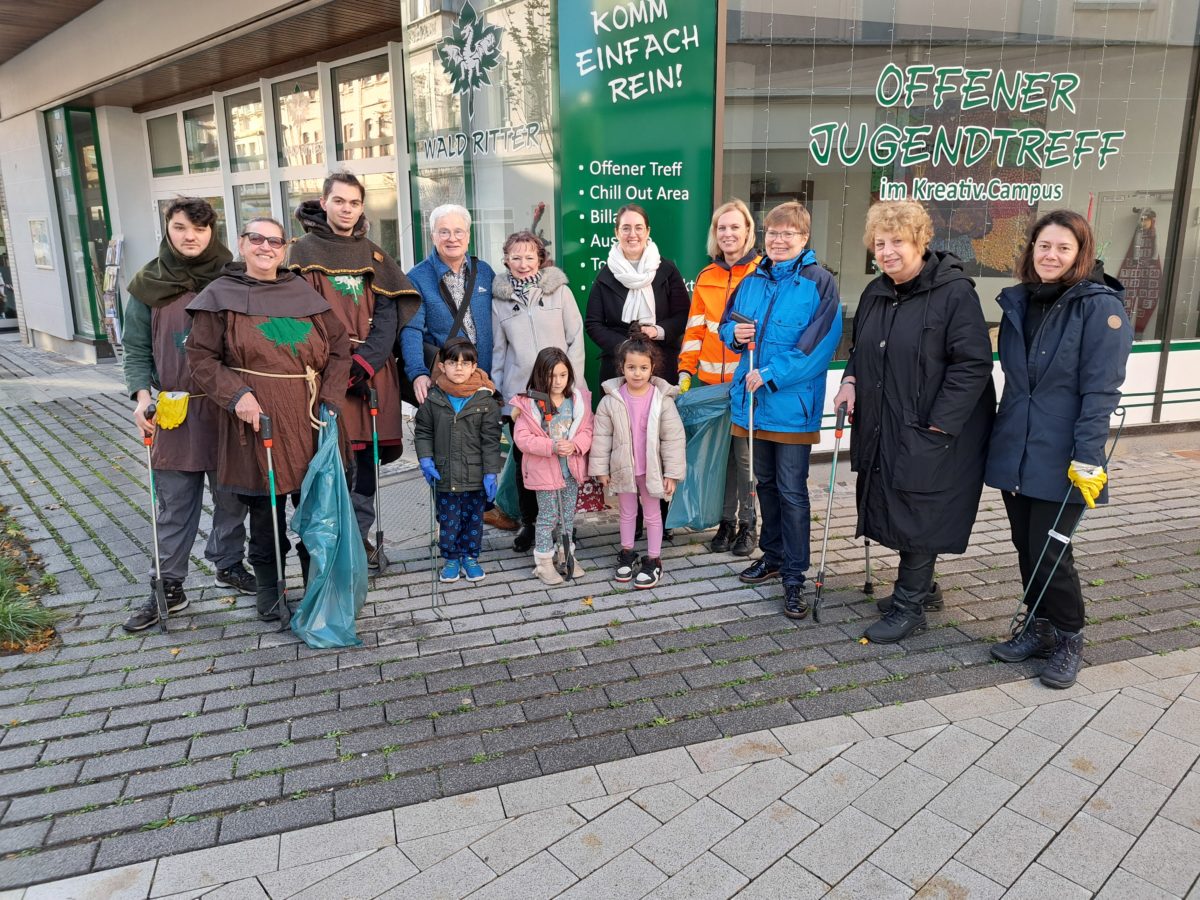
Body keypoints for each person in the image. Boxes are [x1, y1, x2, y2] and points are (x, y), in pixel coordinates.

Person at [831, 200, 995, 643]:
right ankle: (923, 589)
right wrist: (849, 381)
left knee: (922, 508)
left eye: (897, 241)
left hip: (934, 428)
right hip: (888, 420)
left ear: (921, 240)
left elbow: (974, 364)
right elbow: (861, 352)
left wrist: (940, 424)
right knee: (902, 500)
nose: (887, 252)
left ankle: (910, 606)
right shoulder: (875, 292)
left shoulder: (954, 293)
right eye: (879, 243)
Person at [985, 209, 1132, 689]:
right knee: (1025, 546)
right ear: (1031, 250)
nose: (1050, 255)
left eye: (1062, 248)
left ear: (1080, 253)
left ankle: (1070, 637)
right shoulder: (1019, 302)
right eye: (1043, 246)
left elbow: (1101, 391)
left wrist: (1088, 456)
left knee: (1052, 551)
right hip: (1017, 446)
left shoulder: (1099, 307)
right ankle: (1040, 626)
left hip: (1066, 452)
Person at [187, 217, 351, 620]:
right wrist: (236, 395)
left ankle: (318, 587)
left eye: (274, 241)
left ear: (285, 247)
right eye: (256, 239)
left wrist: (329, 398)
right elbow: (201, 359)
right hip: (255, 417)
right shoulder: (220, 294)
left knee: (317, 506)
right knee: (266, 511)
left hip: (310, 416)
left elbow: (340, 349)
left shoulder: (302, 290)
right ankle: (270, 591)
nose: (266, 247)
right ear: (242, 245)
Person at [120, 198, 252, 632]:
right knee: (175, 504)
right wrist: (143, 398)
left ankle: (229, 564)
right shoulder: (147, 284)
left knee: (232, 496)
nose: (189, 236)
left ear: (212, 232)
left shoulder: (235, 278)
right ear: (168, 229)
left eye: (198, 228)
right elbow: (136, 348)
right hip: (175, 409)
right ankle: (169, 585)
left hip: (228, 406)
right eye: (180, 227)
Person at [288, 172, 421, 572]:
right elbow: (300, 315)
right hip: (323, 372)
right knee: (328, 460)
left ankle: (361, 539)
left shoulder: (374, 255)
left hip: (370, 372)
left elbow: (388, 315)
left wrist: (365, 364)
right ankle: (330, 544)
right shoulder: (301, 253)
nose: (347, 209)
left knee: (365, 462)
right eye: (340, 201)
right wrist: (333, 364)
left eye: (354, 202)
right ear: (324, 202)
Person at [720, 201, 842, 621]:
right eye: (773, 232)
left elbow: (819, 346)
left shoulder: (819, 282)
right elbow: (725, 325)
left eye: (788, 233)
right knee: (765, 484)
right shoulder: (752, 279)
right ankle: (771, 556)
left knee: (792, 491)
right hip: (753, 405)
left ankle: (794, 575)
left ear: (804, 238)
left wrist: (771, 373)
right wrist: (733, 334)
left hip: (790, 406)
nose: (779, 239)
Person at [585, 203, 689, 539]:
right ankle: (634, 517)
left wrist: (656, 334)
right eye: (625, 228)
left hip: (661, 369)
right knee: (626, 442)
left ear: (648, 232)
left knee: (657, 441)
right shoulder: (605, 275)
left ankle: (660, 518)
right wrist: (628, 353)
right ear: (616, 233)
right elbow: (594, 324)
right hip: (619, 371)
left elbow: (682, 316)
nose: (632, 234)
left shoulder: (667, 270)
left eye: (638, 228)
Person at [492, 231, 587, 553]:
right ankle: (530, 524)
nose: (522, 264)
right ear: (506, 259)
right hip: (522, 397)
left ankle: (564, 521)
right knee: (526, 465)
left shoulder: (559, 292)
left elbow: (575, 339)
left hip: (562, 392)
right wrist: (502, 400)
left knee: (564, 461)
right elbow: (498, 352)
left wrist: (572, 386)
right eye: (515, 257)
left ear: (540, 259)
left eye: (529, 257)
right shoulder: (499, 301)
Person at [678, 198, 761, 557]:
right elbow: (695, 328)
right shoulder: (707, 276)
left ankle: (749, 525)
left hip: (747, 388)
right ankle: (725, 523)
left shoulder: (761, 272)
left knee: (745, 461)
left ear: (747, 231)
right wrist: (685, 369)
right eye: (721, 228)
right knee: (720, 458)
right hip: (712, 386)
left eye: (734, 227)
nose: (727, 233)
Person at [589, 330, 686, 590]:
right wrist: (600, 468)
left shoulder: (661, 400)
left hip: (651, 469)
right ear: (622, 367)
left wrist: (672, 473)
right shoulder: (611, 400)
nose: (637, 373)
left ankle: (654, 559)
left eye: (643, 367)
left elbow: (673, 438)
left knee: (653, 514)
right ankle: (627, 552)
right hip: (623, 469)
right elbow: (601, 437)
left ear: (652, 368)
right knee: (627, 513)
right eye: (631, 367)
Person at [414, 338, 503, 583]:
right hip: (444, 475)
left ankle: (470, 557)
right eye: (453, 362)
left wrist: (491, 472)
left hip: (475, 475)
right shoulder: (434, 398)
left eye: (466, 363)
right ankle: (451, 558)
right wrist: (425, 459)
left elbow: (491, 440)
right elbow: (423, 431)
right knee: (449, 520)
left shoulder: (485, 400)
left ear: (475, 367)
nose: (459, 368)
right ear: (442, 366)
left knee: (473, 520)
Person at [511, 348, 593, 585]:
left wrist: (576, 444)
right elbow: (523, 439)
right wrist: (552, 447)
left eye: (562, 375)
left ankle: (566, 555)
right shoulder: (529, 405)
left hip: (570, 469)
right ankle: (544, 563)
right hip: (544, 471)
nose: (557, 381)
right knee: (547, 516)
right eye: (551, 375)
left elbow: (588, 429)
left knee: (567, 516)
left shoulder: (577, 400)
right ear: (540, 375)